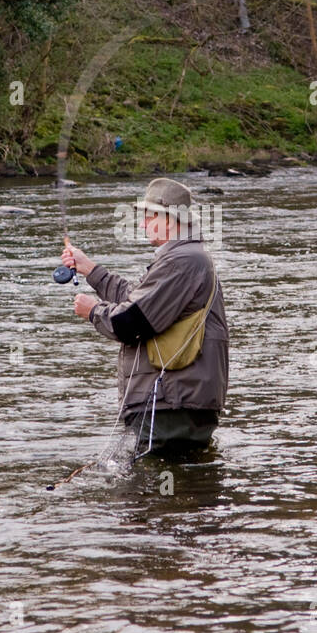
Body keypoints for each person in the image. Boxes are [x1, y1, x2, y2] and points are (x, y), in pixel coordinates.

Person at [62, 177, 228, 456]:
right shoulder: (183, 257)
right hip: (173, 404)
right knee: (172, 490)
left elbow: (132, 322)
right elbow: (137, 297)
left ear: (170, 219)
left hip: (173, 406)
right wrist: (90, 270)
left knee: (158, 493)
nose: (141, 224)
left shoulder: (182, 261)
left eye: (148, 216)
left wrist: (92, 311)